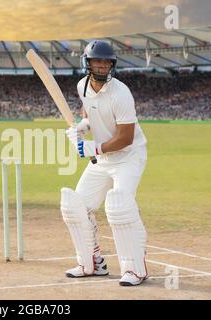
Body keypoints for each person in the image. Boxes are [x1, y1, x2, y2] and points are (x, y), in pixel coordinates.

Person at [61, 40, 148, 286]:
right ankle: (92, 263)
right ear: (87, 63)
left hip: (128, 157)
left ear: (112, 65)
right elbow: (89, 112)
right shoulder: (82, 86)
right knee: (75, 207)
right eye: (96, 61)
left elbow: (126, 137)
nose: (101, 65)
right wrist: (82, 127)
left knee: (120, 206)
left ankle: (135, 269)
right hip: (104, 158)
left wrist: (93, 147)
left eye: (106, 61)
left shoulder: (121, 93)